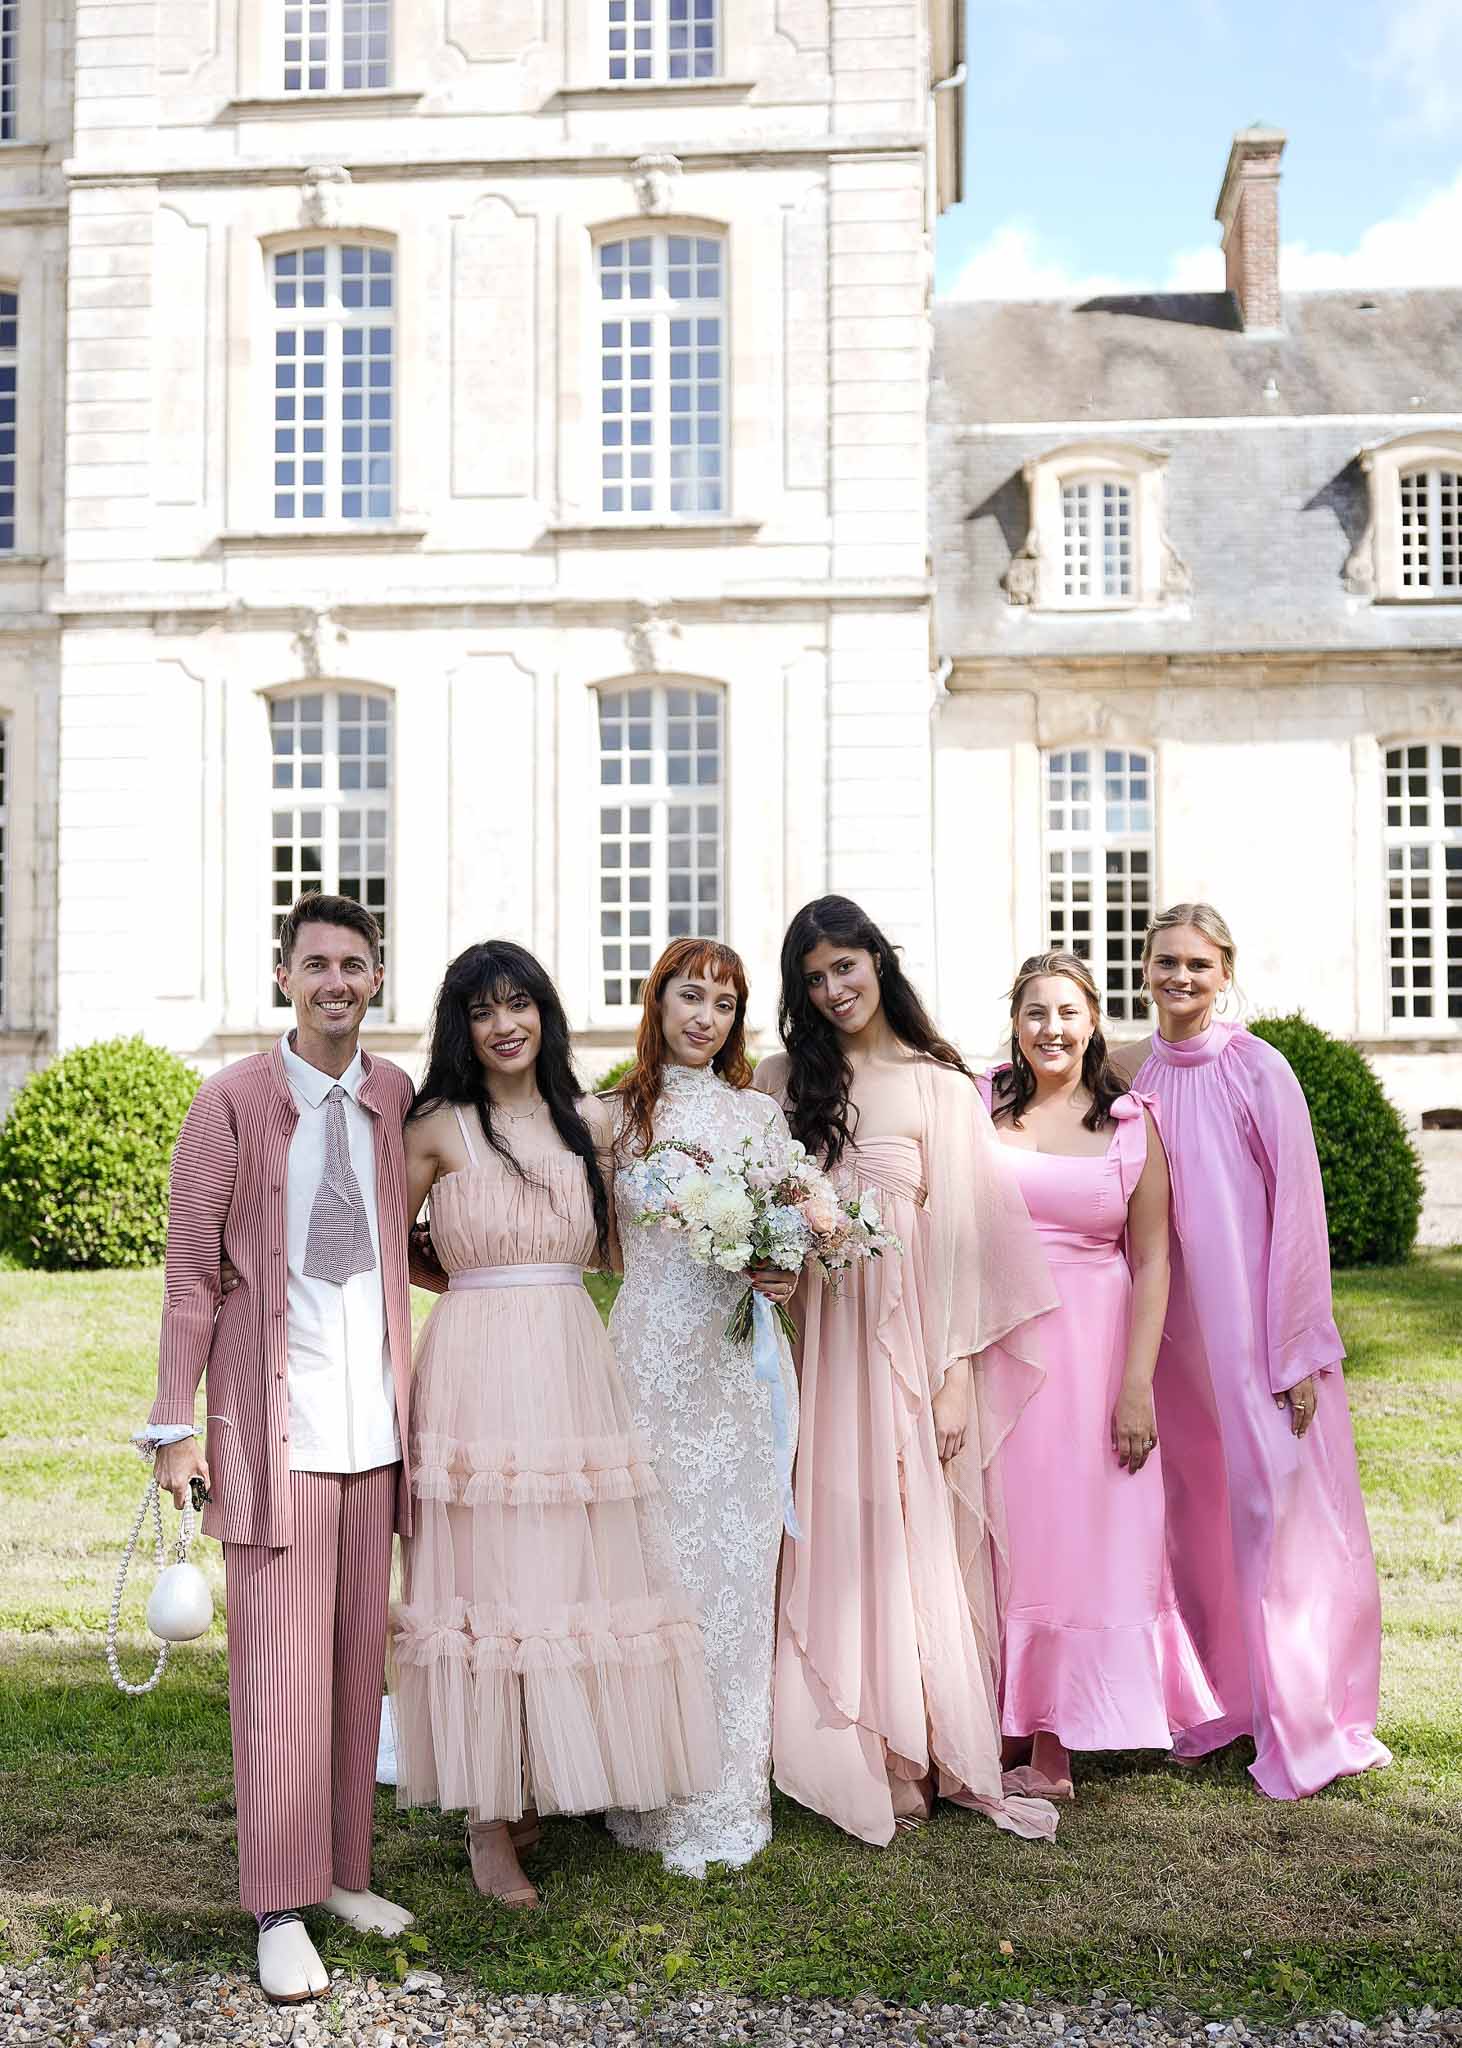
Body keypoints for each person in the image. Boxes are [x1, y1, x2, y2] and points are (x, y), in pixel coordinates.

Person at [389, 941, 720, 1906]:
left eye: (519, 1004)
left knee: (564, 1564)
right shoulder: (437, 1125)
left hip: (572, 1354)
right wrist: (469, 1280)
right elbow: (382, 1241)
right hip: (475, 1361)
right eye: (483, 1010)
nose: (505, 1026)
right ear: (461, 1027)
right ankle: (488, 1817)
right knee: (483, 1572)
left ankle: (544, 1771)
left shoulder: (592, 1122)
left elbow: (633, 1242)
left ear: (545, 1012)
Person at [141, 893, 417, 2005]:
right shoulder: (231, 1102)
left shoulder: (394, 1096)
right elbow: (190, 1274)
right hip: (276, 1433)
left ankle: (343, 1871)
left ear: (376, 978)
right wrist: (174, 1424)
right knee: (279, 1683)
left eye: (354, 964)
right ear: (284, 977)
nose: (335, 982)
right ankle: (278, 1904)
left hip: (376, 1432)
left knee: (354, 1665)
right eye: (316, 964)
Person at [755, 896, 1060, 1846]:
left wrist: (956, 1372)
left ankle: (911, 1745)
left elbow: (968, 1243)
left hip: (905, 1341)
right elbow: (754, 1207)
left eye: (844, 967)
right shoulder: (779, 1081)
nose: (832, 990)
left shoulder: (938, 1085)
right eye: (813, 978)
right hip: (811, 1334)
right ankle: (841, 1738)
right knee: (825, 1512)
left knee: (903, 1516)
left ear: (877, 963)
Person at [1117, 902, 1391, 1799]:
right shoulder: (1129, 1075)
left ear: (1225, 972)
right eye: (1166, 961)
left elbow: (1300, 1212)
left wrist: (1299, 1350)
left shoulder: (1259, 1069)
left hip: (1255, 1335)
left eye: (1198, 964)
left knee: (1273, 1514)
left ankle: (1299, 1716)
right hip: (1171, 1337)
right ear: (1145, 967)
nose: (1180, 977)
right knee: (1195, 1516)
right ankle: (1218, 1701)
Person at [981, 952, 1221, 1798]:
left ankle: (1057, 1745)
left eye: (1067, 1013)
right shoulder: (980, 1107)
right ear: (1016, 1024)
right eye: (1035, 1013)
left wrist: (1135, 1388)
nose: (1051, 1029)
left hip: (1096, 1354)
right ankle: (998, 1723)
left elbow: (1153, 1261)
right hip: (1000, 1349)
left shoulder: (1130, 1122)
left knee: (1083, 1538)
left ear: (1092, 1023)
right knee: (1007, 1533)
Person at [604, 939, 801, 1877]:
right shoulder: (614, 1116)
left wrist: (785, 1268)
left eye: (725, 1004)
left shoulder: (760, 1116)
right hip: (648, 1363)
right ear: (658, 1002)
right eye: (691, 997)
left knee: (734, 1575)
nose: (706, 1018)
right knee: (652, 1570)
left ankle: (726, 1790)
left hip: (735, 1372)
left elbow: (789, 1232)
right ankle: (642, 1784)